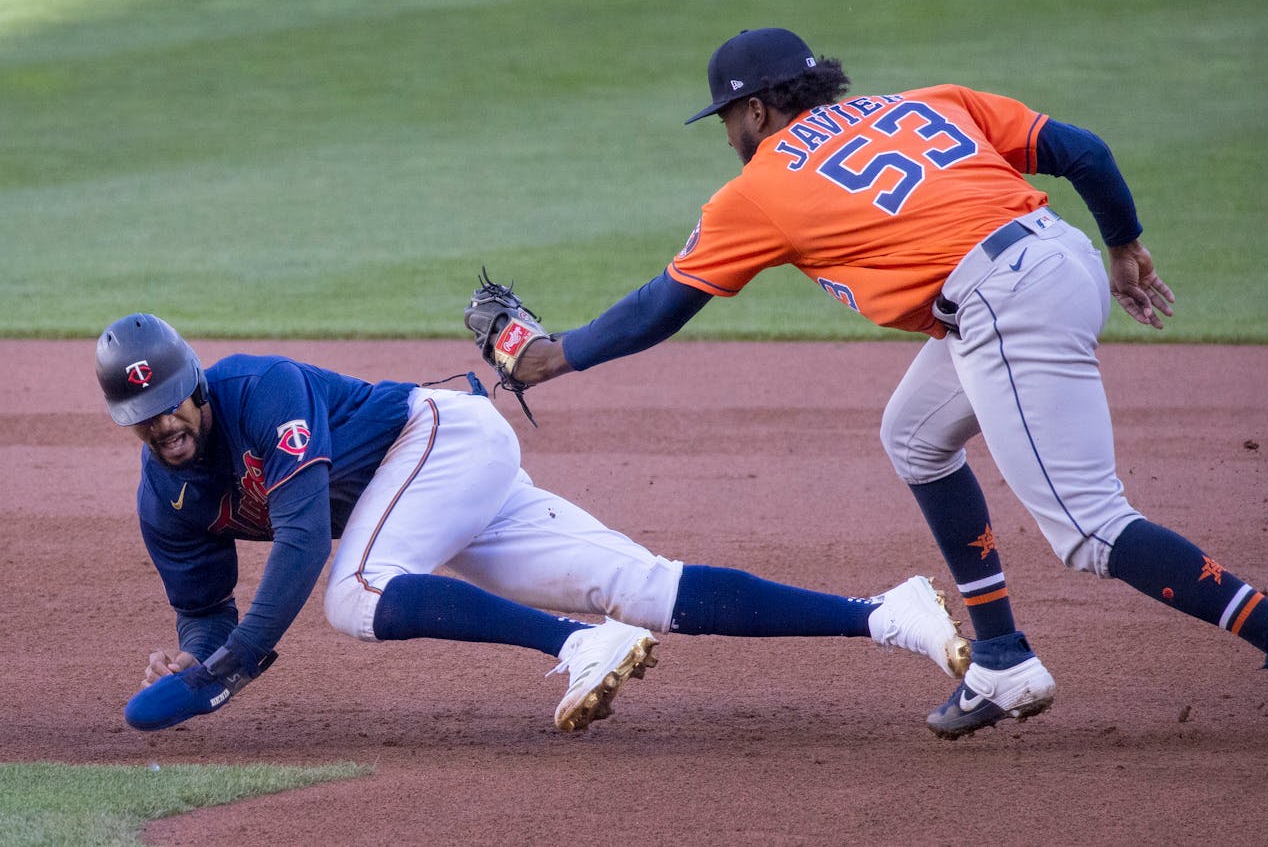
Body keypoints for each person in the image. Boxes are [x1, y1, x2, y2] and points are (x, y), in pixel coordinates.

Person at [495, 27, 1268, 770]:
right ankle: (999, 658)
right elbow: (1083, 152)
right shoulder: (925, 102)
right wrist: (1125, 246)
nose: (726, 134)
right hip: (1053, 254)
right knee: (915, 435)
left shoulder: (758, 187)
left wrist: (551, 357)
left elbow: (662, 305)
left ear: (757, 109)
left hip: (1001, 301)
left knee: (1089, 526)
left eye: (727, 117)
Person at [97, 312, 967, 734]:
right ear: (126, 424)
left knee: (353, 591)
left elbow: (300, 537)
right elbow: (206, 606)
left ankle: (576, 645)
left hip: (437, 439)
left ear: (198, 385)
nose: (167, 424)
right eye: (147, 418)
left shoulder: (260, 389)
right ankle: (889, 612)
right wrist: (200, 653)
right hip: (423, 501)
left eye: (175, 402)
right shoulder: (163, 503)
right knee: (642, 587)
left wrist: (242, 660)